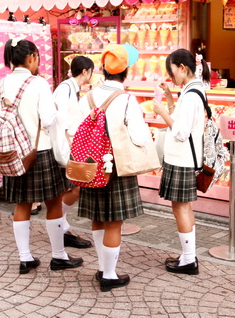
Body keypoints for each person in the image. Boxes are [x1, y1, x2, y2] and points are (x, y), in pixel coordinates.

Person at [0, 38, 83, 275]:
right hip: (40, 151)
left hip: (14, 153)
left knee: (21, 205)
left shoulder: (0, 84)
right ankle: (58, 256)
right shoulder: (38, 83)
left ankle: (25, 258)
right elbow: (48, 119)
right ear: (31, 57)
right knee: (53, 203)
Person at [77, 44, 148, 292]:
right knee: (114, 222)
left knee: (98, 219)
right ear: (125, 71)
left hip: (90, 164)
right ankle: (109, 275)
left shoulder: (87, 96)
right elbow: (139, 136)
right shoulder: (127, 99)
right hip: (116, 166)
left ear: (103, 70)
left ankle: (102, 267)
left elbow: (74, 128)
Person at [152, 48, 211, 275]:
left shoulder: (191, 94)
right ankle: (189, 255)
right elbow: (180, 119)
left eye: (173, 70)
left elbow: (180, 131)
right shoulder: (193, 90)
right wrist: (168, 98)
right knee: (184, 208)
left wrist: (160, 111)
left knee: (181, 208)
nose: (172, 75)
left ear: (183, 68)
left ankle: (188, 261)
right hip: (185, 158)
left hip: (182, 158)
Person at [51, 55, 95, 248]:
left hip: (70, 145)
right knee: (76, 187)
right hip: (66, 147)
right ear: (85, 71)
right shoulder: (66, 89)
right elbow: (60, 118)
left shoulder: (71, 88)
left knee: (72, 187)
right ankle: (58, 222)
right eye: (91, 71)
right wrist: (71, 141)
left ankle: (61, 225)